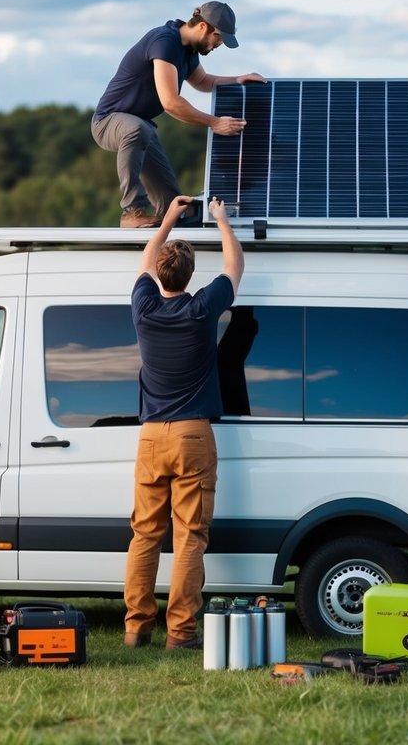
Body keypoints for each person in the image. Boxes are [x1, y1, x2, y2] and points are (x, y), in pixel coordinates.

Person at [123, 195, 244, 650]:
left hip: (152, 436)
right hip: (193, 434)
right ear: (191, 277)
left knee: (144, 535)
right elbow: (234, 267)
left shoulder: (145, 308)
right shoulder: (201, 309)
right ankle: (181, 633)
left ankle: (136, 628)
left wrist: (168, 219)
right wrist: (222, 221)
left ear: (160, 274)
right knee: (189, 537)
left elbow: (144, 263)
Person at [92, 1, 266, 228]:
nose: (219, 44)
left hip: (141, 127)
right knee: (138, 129)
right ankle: (131, 211)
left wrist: (237, 79)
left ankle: (169, 226)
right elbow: (171, 103)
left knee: (175, 207)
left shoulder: (189, 51)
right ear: (202, 26)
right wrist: (214, 123)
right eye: (218, 37)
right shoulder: (165, 42)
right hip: (109, 121)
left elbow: (203, 81)